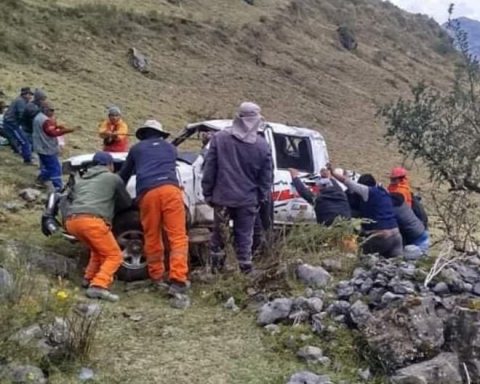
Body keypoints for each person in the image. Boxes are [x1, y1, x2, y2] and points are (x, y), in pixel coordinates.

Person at [118, 119, 189, 294]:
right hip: (171, 191)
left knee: (152, 235)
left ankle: (157, 276)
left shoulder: (137, 149)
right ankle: (178, 279)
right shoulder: (170, 148)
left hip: (149, 194)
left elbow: (124, 175)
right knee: (177, 236)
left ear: (143, 135)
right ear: (160, 134)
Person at [202, 102, 273, 273]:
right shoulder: (262, 146)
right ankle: (245, 270)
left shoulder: (220, 138)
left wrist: (208, 193)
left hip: (222, 197)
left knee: (219, 234)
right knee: (244, 236)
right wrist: (260, 197)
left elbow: (210, 168)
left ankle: (216, 270)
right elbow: (266, 178)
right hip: (247, 200)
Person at [65, 151, 132, 302]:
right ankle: (99, 286)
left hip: (72, 222)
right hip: (92, 221)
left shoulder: (81, 179)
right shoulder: (112, 178)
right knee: (114, 256)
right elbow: (126, 202)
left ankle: (88, 278)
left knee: (97, 250)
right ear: (110, 165)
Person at [331, 170, 403, 258]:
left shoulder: (367, 191)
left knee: (356, 254)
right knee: (396, 266)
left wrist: (332, 173)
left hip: (383, 236)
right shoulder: (384, 192)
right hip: (397, 235)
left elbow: (348, 182)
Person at [32, 102, 76, 191]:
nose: (53, 112)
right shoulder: (46, 120)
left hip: (40, 146)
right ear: (45, 110)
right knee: (55, 168)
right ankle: (58, 188)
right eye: (51, 110)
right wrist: (67, 130)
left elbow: (46, 129)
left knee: (48, 166)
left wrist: (56, 126)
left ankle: (40, 181)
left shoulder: (38, 117)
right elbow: (52, 133)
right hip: (46, 148)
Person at [2, 87, 34, 163]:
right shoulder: (21, 102)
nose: (30, 97)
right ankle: (27, 159)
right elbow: (22, 115)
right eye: (29, 94)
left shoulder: (20, 100)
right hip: (12, 124)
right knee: (23, 141)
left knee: (21, 139)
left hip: (11, 123)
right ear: (25, 94)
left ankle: (21, 153)